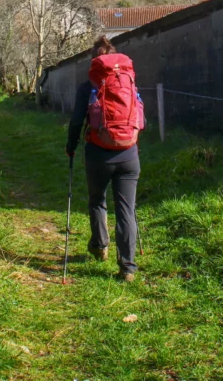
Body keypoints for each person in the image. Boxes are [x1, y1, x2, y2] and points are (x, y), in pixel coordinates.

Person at [65, 35, 141, 282]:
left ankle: (100, 246)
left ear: (94, 61)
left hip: (98, 154)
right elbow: (141, 117)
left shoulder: (88, 86)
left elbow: (77, 120)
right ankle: (128, 267)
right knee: (126, 209)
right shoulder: (129, 82)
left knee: (97, 200)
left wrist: (71, 146)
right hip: (129, 153)